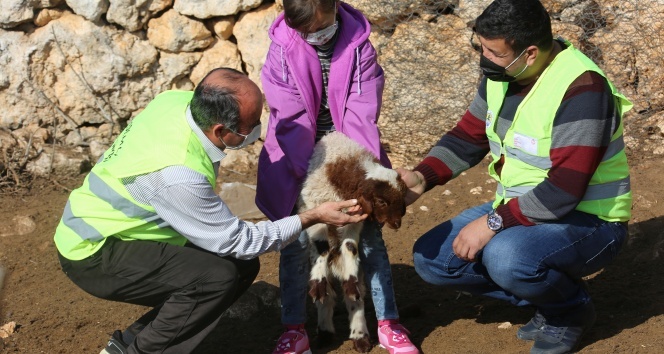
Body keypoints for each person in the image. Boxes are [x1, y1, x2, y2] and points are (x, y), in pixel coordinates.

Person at [54, 67, 368, 354]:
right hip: (93, 252)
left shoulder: (176, 102)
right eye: (251, 126)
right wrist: (312, 216)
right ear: (220, 130)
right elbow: (239, 241)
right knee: (214, 278)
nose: (257, 130)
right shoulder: (179, 174)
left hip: (119, 227)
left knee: (240, 267)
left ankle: (128, 344)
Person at [397, 1, 632, 353]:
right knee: (433, 259)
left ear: (531, 52)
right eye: (481, 47)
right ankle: (548, 300)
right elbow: (468, 135)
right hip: (524, 210)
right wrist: (422, 177)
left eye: (493, 51)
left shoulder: (582, 89)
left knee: (507, 258)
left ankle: (569, 311)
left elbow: (565, 189)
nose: (484, 58)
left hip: (590, 220)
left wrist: (493, 222)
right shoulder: (504, 75)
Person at [256, 1, 419, 354]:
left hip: (350, 151)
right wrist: (309, 179)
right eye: (305, 32)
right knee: (297, 238)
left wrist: (357, 176)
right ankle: (294, 327)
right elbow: (289, 115)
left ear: (333, 9)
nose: (313, 37)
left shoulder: (358, 42)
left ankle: (388, 322)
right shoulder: (283, 46)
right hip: (302, 157)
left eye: (320, 28)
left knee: (370, 235)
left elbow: (363, 107)